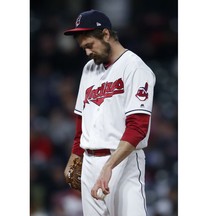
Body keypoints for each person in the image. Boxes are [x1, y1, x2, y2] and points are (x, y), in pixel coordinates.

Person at [63, 9, 156, 216]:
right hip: (89, 162)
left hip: (121, 161)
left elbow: (138, 127)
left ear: (105, 34)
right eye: (83, 47)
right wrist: (75, 155)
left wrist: (109, 166)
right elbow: (82, 119)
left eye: (89, 45)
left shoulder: (135, 68)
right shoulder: (89, 69)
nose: (87, 52)